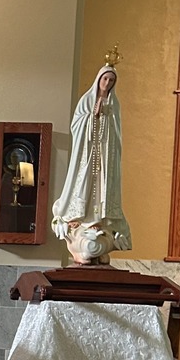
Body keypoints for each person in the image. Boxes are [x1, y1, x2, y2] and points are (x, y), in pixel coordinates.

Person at [51, 65, 132, 264]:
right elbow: (76, 125)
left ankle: (100, 224)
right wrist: (92, 116)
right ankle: (81, 222)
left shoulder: (114, 104)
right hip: (87, 156)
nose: (107, 84)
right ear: (99, 80)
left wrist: (106, 116)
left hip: (105, 157)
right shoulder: (87, 100)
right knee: (85, 185)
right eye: (105, 79)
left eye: (111, 81)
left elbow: (117, 132)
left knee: (103, 188)